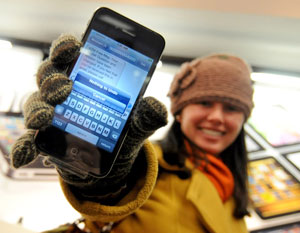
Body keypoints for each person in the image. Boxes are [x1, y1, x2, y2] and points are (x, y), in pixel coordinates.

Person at [11, 34, 254, 233]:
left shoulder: (234, 185)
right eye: (205, 104)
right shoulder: (148, 163)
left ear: (243, 119)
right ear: (180, 111)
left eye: (231, 108)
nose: (217, 117)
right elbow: (108, 197)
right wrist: (92, 172)